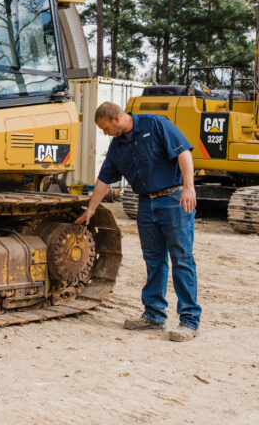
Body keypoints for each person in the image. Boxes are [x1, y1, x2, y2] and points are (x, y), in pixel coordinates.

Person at [75, 101, 201, 342]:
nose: (104, 133)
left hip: (173, 200)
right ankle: (154, 316)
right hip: (146, 204)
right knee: (154, 261)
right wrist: (91, 208)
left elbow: (183, 152)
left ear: (116, 119)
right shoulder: (117, 146)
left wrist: (189, 188)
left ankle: (189, 321)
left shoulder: (155, 124)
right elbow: (104, 179)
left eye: (105, 128)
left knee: (182, 259)